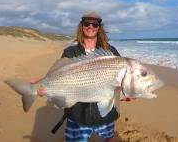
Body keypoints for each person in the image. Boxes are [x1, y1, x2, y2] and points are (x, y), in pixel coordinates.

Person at [31, 12, 122, 142]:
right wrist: (44, 84)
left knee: (110, 138)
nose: (90, 26)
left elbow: (120, 78)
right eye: (87, 23)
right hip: (77, 116)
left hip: (105, 115)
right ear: (82, 26)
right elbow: (60, 74)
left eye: (95, 24)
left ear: (99, 27)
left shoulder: (110, 51)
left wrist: (125, 92)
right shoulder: (70, 52)